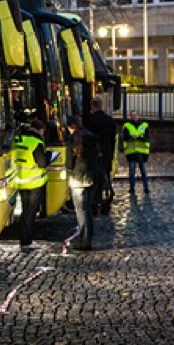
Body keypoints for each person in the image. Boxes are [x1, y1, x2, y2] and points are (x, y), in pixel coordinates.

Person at [65, 115, 101, 251]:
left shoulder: (72, 139)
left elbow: (69, 163)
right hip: (92, 177)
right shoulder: (91, 137)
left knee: (81, 211)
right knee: (87, 210)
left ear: (70, 126)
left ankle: (84, 242)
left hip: (78, 178)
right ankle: (88, 238)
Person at [14, 118, 49, 250]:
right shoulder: (37, 142)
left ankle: (24, 238)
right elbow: (42, 163)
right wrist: (49, 157)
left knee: (24, 211)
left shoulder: (19, 139)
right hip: (35, 183)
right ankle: (26, 240)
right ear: (39, 130)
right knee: (30, 213)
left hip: (21, 181)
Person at [84, 96, 117, 215]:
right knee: (106, 179)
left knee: (94, 181)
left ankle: (94, 205)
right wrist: (111, 155)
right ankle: (105, 206)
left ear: (93, 106)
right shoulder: (109, 120)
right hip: (107, 154)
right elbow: (113, 140)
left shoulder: (89, 120)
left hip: (93, 155)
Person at [122, 110, 150, 194]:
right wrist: (132, 137)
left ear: (138, 115)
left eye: (135, 115)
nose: (134, 117)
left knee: (143, 171)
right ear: (130, 117)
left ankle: (146, 187)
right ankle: (132, 187)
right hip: (131, 152)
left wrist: (140, 137)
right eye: (132, 116)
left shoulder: (144, 125)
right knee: (132, 171)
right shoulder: (127, 125)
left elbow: (147, 137)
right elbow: (125, 137)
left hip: (142, 152)